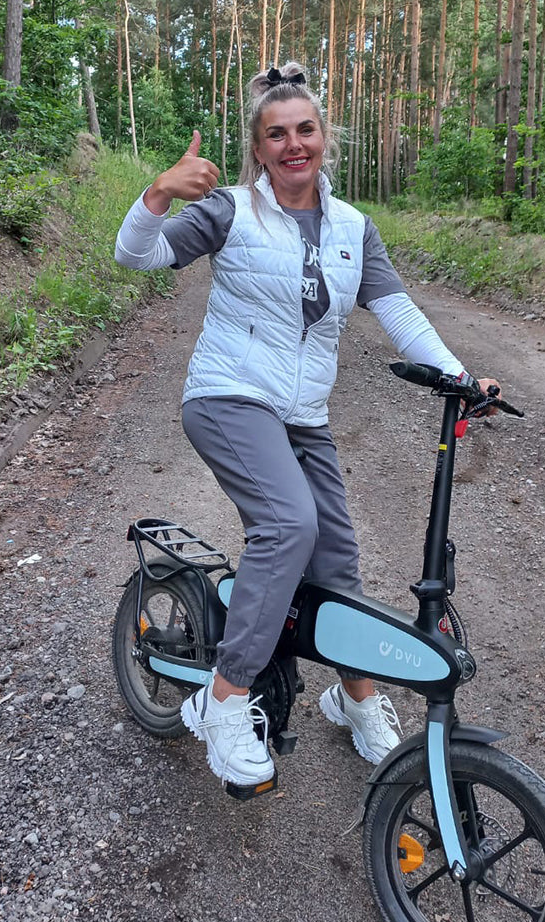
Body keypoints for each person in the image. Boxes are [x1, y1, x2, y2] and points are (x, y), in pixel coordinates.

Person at [115, 62, 498, 788]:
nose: (293, 144)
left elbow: (398, 313)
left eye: (306, 130)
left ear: (325, 138)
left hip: (302, 415)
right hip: (228, 397)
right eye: (276, 134)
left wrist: (459, 376)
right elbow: (136, 254)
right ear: (257, 149)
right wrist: (160, 192)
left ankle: (353, 699)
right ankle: (223, 703)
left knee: (335, 563)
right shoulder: (229, 212)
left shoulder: (354, 228)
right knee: (288, 524)